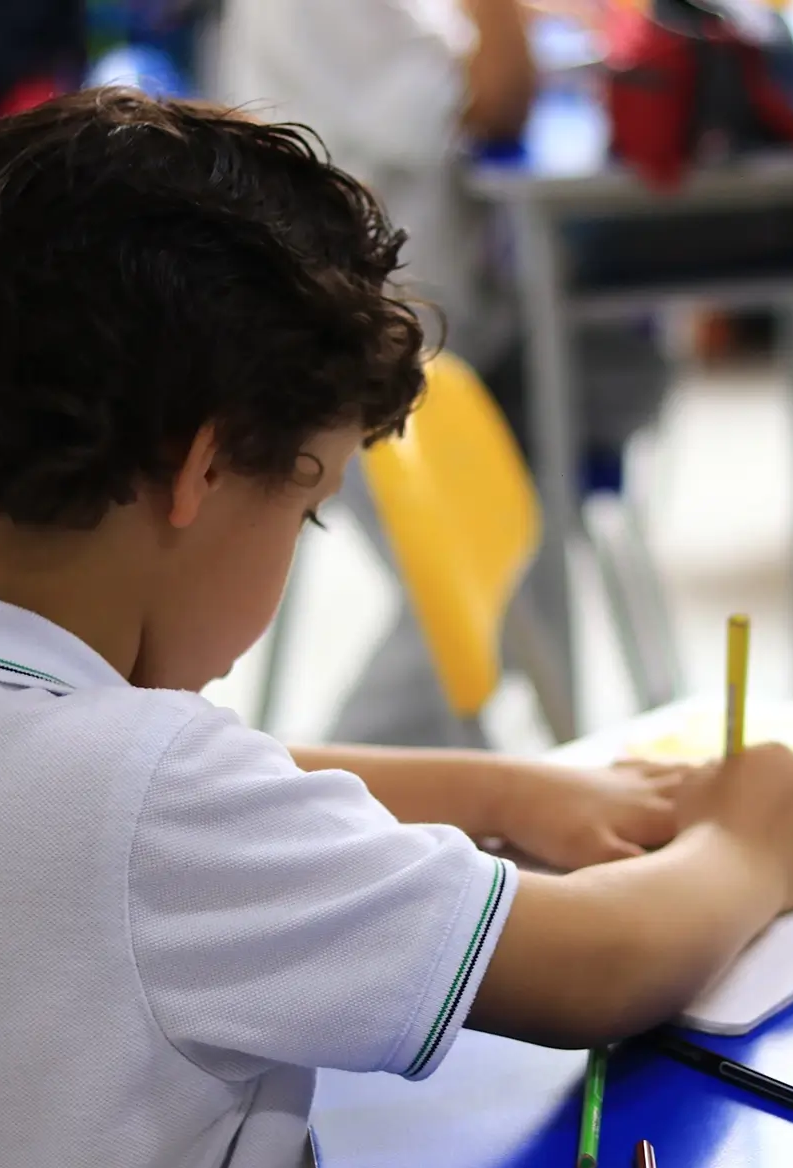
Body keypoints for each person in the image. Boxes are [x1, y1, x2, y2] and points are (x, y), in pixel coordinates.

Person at [0, 90, 793, 1168]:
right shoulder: (149, 802)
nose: (302, 535)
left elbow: (158, 811)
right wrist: (755, 844)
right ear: (203, 468)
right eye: (311, 504)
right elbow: (598, 966)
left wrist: (508, 796)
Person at [219, 0, 669, 746]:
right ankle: (340, 788)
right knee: (495, 586)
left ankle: (464, 778)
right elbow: (498, 100)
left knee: (619, 381)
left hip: (440, 337)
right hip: (345, 350)